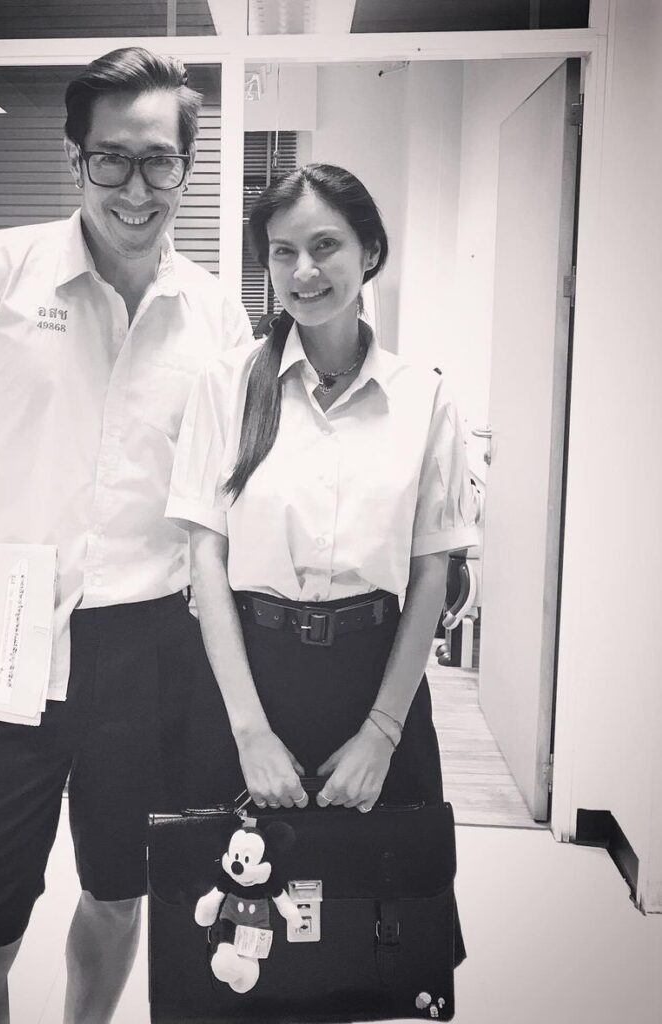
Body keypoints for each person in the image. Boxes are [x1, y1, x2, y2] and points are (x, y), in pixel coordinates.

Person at [0, 47, 253, 1024]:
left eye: (158, 161)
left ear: (185, 166)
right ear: (74, 158)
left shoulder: (216, 316)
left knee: (120, 895)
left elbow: (233, 500)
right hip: (4, 649)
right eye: (111, 159)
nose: (135, 188)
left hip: (154, 650)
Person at [166, 163, 478, 963]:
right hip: (249, 680)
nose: (303, 271)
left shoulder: (424, 398)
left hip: (375, 678)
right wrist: (250, 734)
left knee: (373, 933)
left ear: (370, 251)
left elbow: (431, 576)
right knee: (231, 939)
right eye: (282, 251)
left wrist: (381, 733)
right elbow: (207, 561)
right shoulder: (225, 387)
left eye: (326, 246)